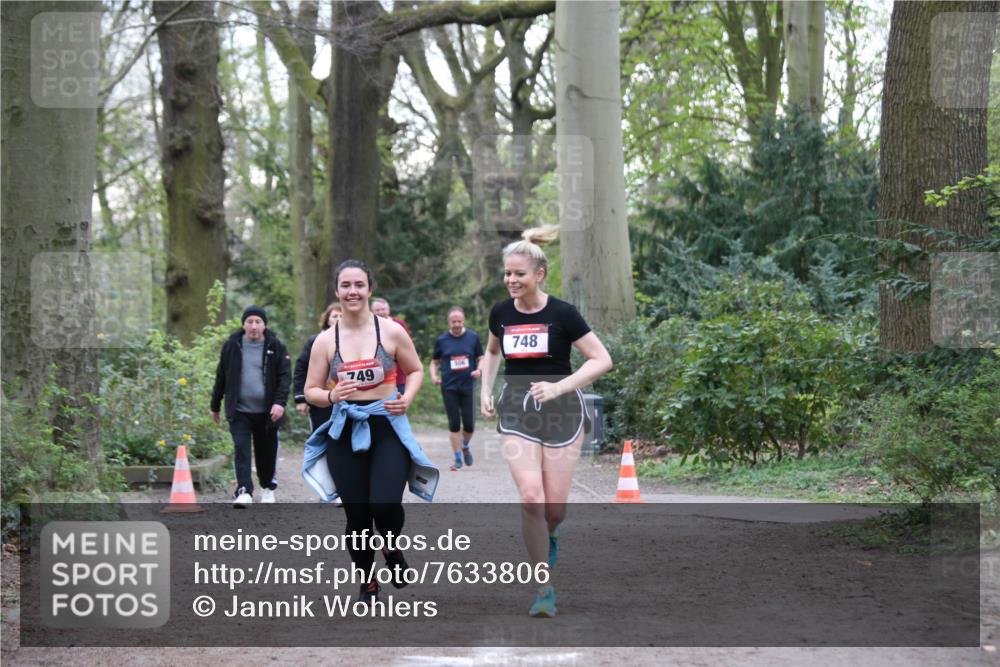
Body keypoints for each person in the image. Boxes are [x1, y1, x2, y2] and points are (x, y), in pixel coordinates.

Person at [479, 226, 613, 618]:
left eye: (519, 273)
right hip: (518, 410)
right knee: (531, 497)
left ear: (539, 274)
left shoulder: (563, 314)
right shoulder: (500, 313)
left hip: (562, 410)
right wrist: (486, 390)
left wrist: (558, 388)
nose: (511, 280)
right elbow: (491, 353)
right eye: (507, 273)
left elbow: (601, 359)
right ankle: (543, 588)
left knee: (554, 509)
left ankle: (552, 532)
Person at [302, 260, 436, 607]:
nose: (352, 291)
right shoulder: (325, 340)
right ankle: (368, 582)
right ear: (337, 291)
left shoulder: (390, 331)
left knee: (385, 503)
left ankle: (391, 547)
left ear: (370, 289)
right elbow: (311, 390)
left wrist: (406, 398)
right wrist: (332, 396)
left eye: (359, 285)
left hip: (385, 426)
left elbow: (417, 369)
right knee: (358, 515)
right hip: (344, 429)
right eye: (345, 285)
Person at [210, 305, 292, 507]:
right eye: (250, 322)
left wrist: (279, 403)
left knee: (267, 451)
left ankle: (267, 487)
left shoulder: (276, 346)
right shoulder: (232, 345)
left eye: (258, 322)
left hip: (268, 412)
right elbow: (221, 376)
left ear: (264, 325)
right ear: (243, 324)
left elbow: (284, 378)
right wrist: (215, 405)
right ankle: (244, 490)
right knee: (241, 449)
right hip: (239, 410)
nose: (254, 326)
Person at [430, 306, 484, 471]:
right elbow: (435, 362)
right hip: (449, 387)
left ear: (464, 320)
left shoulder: (473, 337)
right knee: (454, 424)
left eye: (459, 321)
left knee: (469, 425)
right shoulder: (442, 340)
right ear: (449, 322)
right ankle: (458, 458)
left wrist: (479, 370)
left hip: (468, 386)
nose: (457, 324)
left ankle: (465, 445)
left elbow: (481, 358)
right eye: (454, 321)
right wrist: (433, 376)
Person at [293, 302, 342, 430]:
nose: (338, 319)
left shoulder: (358, 341)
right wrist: (301, 399)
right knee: (322, 436)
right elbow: (301, 369)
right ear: (327, 320)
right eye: (335, 316)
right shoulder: (315, 341)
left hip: (348, 400)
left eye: (342, 316)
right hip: (321, 399)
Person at [372, 297, 410, 396]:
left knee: (399, 404)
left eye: (383, 309)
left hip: (399, 374)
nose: (380, 312)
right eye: (377, 310)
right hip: (377, 377)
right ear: (372, 312)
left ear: (388, 310)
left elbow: (408, 346)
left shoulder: (399, 324)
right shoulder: (369, 326)